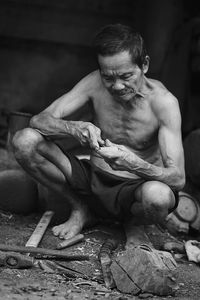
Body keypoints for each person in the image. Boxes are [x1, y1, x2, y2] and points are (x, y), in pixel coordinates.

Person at [12, 24, 185, 245]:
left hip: (135, 189)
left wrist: (133, 163)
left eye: (126, 76)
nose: (118, 86)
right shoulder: (94, 82)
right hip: (92, 179)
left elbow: (178, 178)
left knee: (158, 197)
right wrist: (73, 127)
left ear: (145, 65)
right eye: (108, 77)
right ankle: (81, 208)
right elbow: (38, 120)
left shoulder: (164, 103)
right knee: (24, 140)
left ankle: (134, 224)